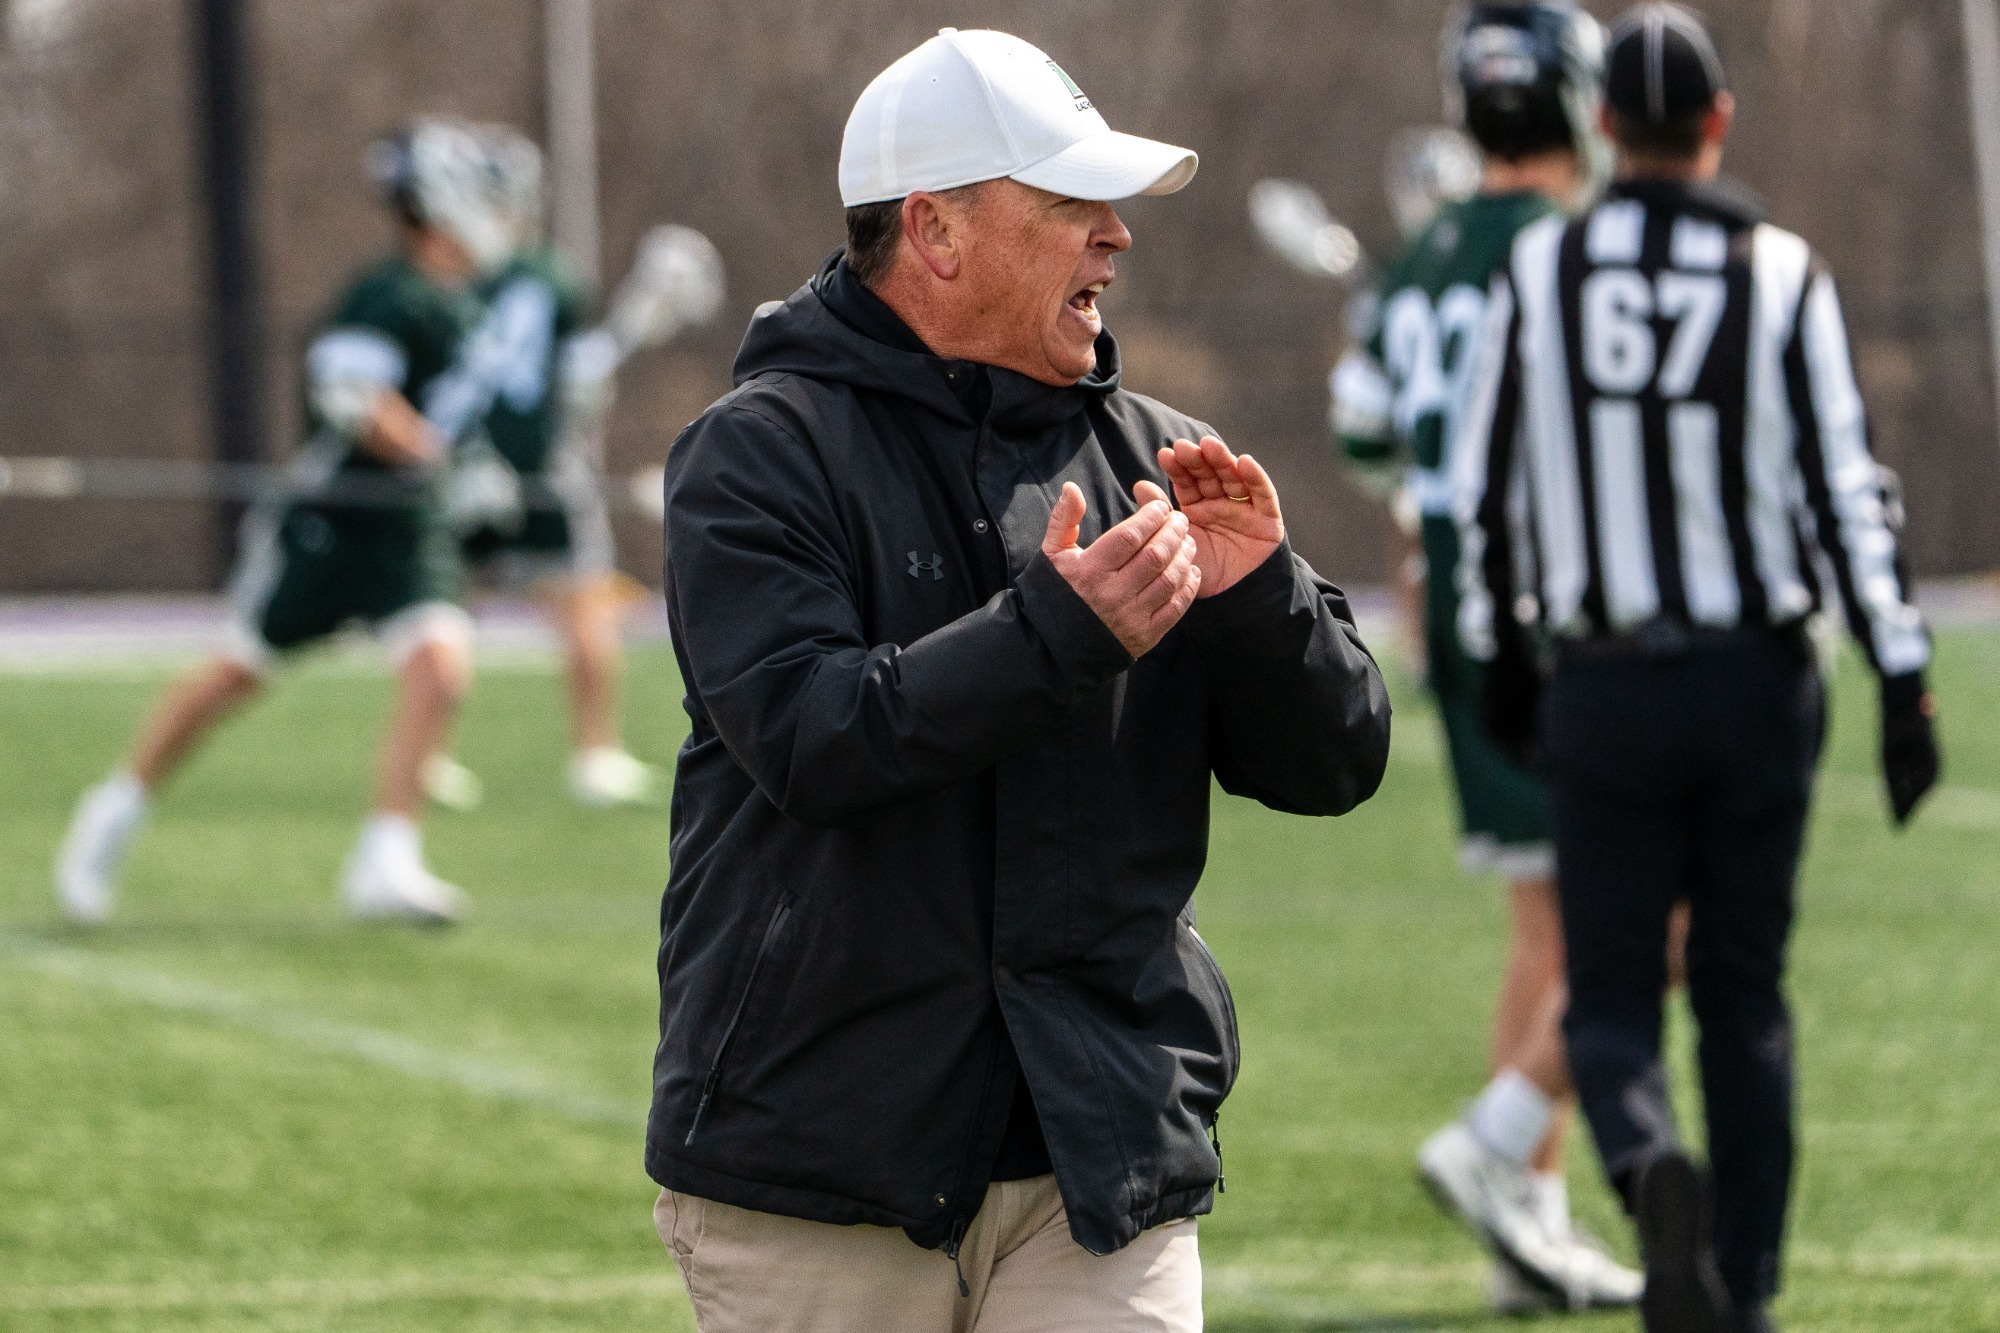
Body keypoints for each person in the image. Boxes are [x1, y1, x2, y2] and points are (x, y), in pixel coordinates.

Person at [646, 28, 1391, 1333]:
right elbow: (815, 737)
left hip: (1097, 1168)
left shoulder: (1163, 458)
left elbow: (1336, 765)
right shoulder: (757, 454)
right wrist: (1054, 632)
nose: (1114, 236)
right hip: (822, 1166)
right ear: (934, 230)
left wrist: (1266, 602)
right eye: (1068, 205)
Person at [1453, 8, 1941, 1331]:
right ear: (1718, 120)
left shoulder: (1540, 276)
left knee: (1611, 997)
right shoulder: (1781, 272)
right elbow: (1845, 493)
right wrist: (1905, 679)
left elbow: (1479, 497)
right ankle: (1747, 1286)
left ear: (1604, 130)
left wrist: (1503, 664)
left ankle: (1642, 1157)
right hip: (1754, 683)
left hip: (1603, 682)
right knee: (1743, 994)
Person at [1332, 2, 1639, 1312]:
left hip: (1461, 606)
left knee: (1546, 924)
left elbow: (1365, 439)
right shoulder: (1576, 248)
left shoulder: (1419, 266)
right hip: (1563, 610)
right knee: (1650, 914)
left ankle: (1532, 1223)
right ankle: (1503, 1141)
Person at [54, 118, 517, 926]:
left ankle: (386, 855)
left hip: (406, 529)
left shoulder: (469, 305)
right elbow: (350, 396)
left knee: (440, 670)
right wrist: (432, 451)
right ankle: (115, 808)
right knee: (234, 675)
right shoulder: (390, 292)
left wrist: (482, 473)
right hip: (330, 525)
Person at [424, 124, 661, 812]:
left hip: (478, 465)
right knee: (563, 601)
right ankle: (594, 753)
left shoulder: (469, 276)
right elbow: (578, 381)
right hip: (530, 467)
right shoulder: (538, 276)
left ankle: (437, 756)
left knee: (451, 609)